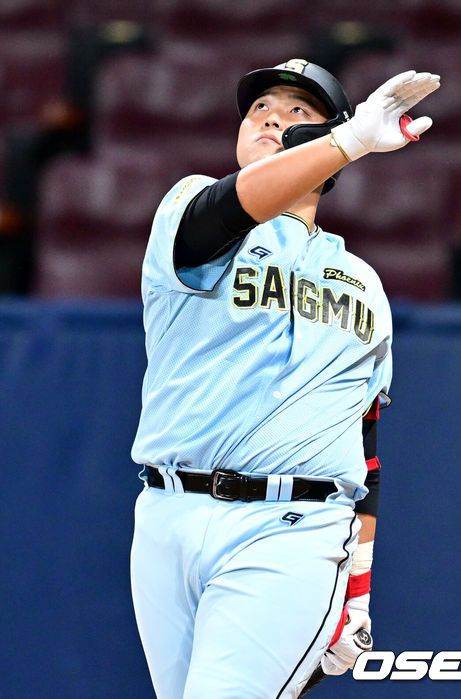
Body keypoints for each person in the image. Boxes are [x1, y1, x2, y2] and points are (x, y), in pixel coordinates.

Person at [130, 59, 440, 699]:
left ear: (332, 138)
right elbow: (228, 209)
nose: (272, 118)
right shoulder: (189, 205)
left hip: (291, 525)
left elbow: (365, 444)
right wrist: (348, 141)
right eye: (260, 109)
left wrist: (358, 587)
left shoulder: (364, 282)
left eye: (299, 111)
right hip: (166, 516)